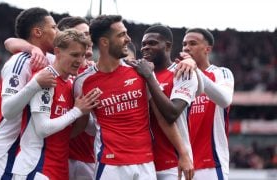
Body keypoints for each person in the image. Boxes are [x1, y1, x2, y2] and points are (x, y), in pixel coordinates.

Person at [74, 15, 195, 180]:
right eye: (121, 35)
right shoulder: (83, 82)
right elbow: (82, 125)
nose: (128, 39)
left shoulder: (140, 71)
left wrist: (183, 153)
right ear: (104, 42)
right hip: (110, 164)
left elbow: (162, 118)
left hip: (145, 163)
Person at [11, 29, 101, 180]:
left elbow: (68, 133)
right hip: (36, 168)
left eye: (82, 55)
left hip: (58, 169)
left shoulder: (71, 83)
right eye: (74, 55)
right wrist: (77, 111)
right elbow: (42, 128)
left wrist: (86, 110)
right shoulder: (46, 79)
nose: (79, 60)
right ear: (57, 52)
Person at [0, 7, 57, 179]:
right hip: (3, 151)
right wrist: (35, 84)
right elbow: (7, 110)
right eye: (53, 27)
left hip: (20, 151)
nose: (57, 32)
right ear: (38, 32)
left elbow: (9, 42)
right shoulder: (20, 62)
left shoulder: (48, 59)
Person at [140, 25, 198, 180]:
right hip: (142, 163)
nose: (146, 48)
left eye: (152, 43)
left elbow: (171, 114)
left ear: (168, 46)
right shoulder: (138, 75)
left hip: (173, 164)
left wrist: (149, 77)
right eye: (144, 44)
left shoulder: (183, 73)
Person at [182, 28, 234, 180]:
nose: (186, 48)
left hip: (211, 163)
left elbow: (224, 100)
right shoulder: (180, 77)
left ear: (207, 49)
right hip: (184, 164)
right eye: (184, 44)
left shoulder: (221, 73)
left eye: (193, 43)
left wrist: (196, 71)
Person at [57, 16, 97, 180]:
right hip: (59, 158)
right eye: (84, 34)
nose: (89, 39)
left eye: (89, 35)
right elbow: (12, 42)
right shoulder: (55, 67)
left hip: (88, 160)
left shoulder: (96, 71)